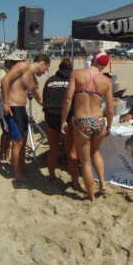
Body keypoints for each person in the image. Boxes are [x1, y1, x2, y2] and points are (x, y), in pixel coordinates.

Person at [61, 51, 114, 202]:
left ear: (92, 60)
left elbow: (67, 99)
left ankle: (91, 196)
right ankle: (102, 185)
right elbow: (110, 109)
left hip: (82, 120)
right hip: (98, 121)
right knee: (96, 152)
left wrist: (64, 120)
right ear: (104, 65)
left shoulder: (77, 74)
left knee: (85, 162)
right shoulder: (106, 81)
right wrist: (108, 126)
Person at [1, 52, 50, 181]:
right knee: (17, 142)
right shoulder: (23, 66)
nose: (45, 72)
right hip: (12, 107)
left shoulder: (32, 78)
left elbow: (39, 99)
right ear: (42, 63)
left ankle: (21, 168)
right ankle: (17, 174)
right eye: (46, 68)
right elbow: (5, 80)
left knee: (23, 141)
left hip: (21, 109)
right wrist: (5, 103)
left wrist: (51, 108)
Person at [43, 58, 81, 189]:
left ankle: (52, 175)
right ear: (71, 70)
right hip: (65, 116)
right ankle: (75, 181)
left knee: (53, 150)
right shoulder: (72, 81)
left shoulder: (49, 81)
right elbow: (73, 100)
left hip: (50, 115)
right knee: (71, 152)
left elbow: (44, 100)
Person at [0, 56, 20, 161]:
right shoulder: (2, 75)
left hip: (1, 107)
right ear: (9, 63)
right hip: (3, 108)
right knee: (8, 133)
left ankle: (2, 153)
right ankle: (6, 155)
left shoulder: (2, 73)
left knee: (6, 132)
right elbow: (1, 93)